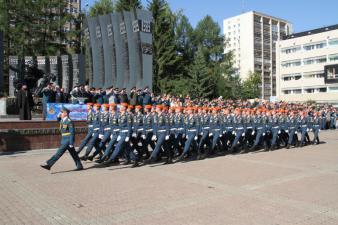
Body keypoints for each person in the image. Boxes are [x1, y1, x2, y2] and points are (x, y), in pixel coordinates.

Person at [40, 107, 83, 171]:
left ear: (66, 113)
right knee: (74, 154)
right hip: (64, 140)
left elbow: (72, 133)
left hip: (68, 140)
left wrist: (71, 142)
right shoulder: (63, 120)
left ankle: (49, 164)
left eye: (62, 112)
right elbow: (59, 120)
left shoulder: (69, 121)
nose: (61, 113)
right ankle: (79, 166)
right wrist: (58, 116)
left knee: (58, 153)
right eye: (61, 112)